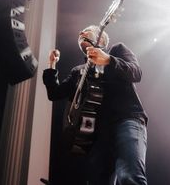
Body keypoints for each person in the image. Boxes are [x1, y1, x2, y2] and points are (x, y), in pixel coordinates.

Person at [43, 25, 148, 185]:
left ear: (101, 37)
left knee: (128, 176)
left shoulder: (117, 50)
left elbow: (136, 73)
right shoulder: (78, 71)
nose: (80, 32)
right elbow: (54, 93)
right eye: (80, 32)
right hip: (98, 135)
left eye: (86, 30)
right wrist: (52, 65)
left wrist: (108, 60)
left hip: (126, 119)